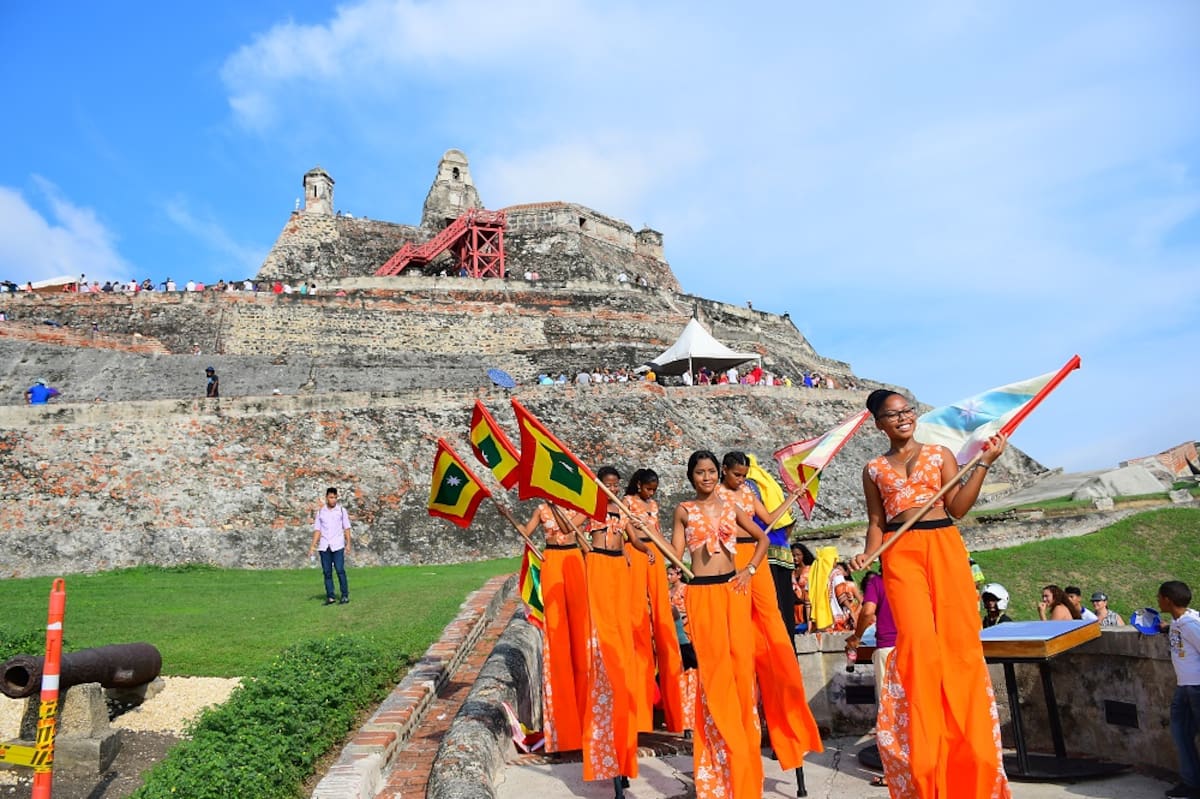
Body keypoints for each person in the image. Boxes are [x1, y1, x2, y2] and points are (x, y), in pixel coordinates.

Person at [849, 389, 1011, 799]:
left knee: (958, 646)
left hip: (943, 545)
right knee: (918, 648)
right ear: (878, 423)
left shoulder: (940, 455)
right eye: (892, 414)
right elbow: (875, 521)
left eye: (908, 411)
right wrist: (868, 554)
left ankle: (972, 757)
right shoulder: (873, 469)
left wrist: (984, 466)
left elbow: (957, 508)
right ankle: (926, 759)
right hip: (899, 553)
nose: (903, 418)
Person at [718, 451, 823, 792]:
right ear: (724, 471)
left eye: (743, 474)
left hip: (757, 560)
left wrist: (791, 499)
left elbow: (771, 522)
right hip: (733, 560)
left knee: (773, 626)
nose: (740, 479)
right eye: (735, 474)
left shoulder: (748, 492)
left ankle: (784, 680)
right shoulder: (715, 496)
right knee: (740, 644)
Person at [671, 450, 767, 799]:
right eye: (700, 472)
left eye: (711, 471)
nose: (707, 477)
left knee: (742, 667)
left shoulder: (730, 505)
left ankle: (744, 755)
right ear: (691, 476)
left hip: (732, 588)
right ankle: (719, 759)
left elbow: (763, 538)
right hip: (700, 593)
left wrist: (750, 569)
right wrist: (647, 536)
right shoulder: (684, 510)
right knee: (713, 673)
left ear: (718, 473)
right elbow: (676, 553)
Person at [581, 466, 639, 794]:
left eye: (617, 483)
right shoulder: (590, 507)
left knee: (622, 631)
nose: (613, 488)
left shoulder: (624, 510)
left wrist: (644, 545)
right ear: (599, 484)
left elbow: (634, 539)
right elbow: (571, 527)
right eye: (608, 483)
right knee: (603, 634)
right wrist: (563, 514)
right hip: (599, 563)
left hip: (619, 565)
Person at [520, 502, 589, 752]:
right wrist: (521, 529)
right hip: (551, 560)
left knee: (580, 633)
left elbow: (566, 526)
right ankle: (562, 724)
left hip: (573, 559)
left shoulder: (576, 506)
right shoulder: (540, 509)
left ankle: (586, 717)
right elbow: (527, 531)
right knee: (556, 634)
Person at [622, 469, 684, 734]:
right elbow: (629, 534)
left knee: (663, 618)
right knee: (637, 616)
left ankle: (676, 713)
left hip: (655, 555)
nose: (651, 493)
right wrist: (642, 548)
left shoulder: (653, 505)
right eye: (648, 488)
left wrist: (672, 556)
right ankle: (640, 713)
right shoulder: (628, 502)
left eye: (654, 489)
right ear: (638, 485)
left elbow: (657, 532)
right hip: (636, 553)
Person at [845, 567, 895, 789]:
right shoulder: (914, 580)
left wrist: (856, 636)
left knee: (891, 711)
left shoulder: (878, 583)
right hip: (917, 647)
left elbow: (867, 612)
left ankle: (894, 772)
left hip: (889, 649)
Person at [1161, 580, 1200, 799]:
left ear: (1167, 600)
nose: (1157, 600)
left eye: (1159, 597)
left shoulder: (1192, 625)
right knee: (1180, 733)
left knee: (1183, 732)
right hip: (1184, 687)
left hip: (1196, 687)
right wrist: (1166, 628)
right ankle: (1191, 784)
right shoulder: (1178, 622)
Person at [308, 487, 351, 605]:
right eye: (331, 497)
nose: (333, 500)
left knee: (340, 570)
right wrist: (312, 546)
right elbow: (317, 530)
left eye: (335, 497)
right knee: (327, 572)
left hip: (337, 544)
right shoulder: (321, 512)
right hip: (324, 545)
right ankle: (330, 596)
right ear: (326, 498)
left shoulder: (341, 511)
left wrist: (348, 544)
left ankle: (344, 595)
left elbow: (346, 528)